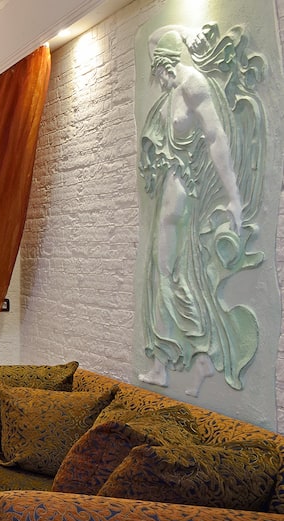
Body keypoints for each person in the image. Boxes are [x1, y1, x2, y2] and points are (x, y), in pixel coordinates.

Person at [136, 23, 264, 397]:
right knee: (167, 274)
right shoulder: (176, 81)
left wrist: (234, 195)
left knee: (165, 273)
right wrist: (181, 28)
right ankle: (191, 356)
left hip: (181, 195)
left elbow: (216, 138)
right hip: (170, 194)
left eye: (158, 73)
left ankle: (173, 359)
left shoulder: (193, 87)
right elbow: (152, 36)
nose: (157, 82)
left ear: (167, 66)